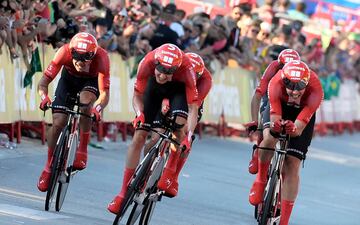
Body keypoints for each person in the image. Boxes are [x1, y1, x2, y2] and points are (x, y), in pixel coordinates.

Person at [107, 43, 199, 214]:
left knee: (179, 124)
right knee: (139, 135)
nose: (163, 75)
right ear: (156, 64)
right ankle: (123, 192)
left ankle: (170, 167)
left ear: (176, 69)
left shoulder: (186, 69)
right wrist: (139, 113)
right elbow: (137, 95)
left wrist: (189, 135)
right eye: (161, 70)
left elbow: (193, 107)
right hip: (152, 90)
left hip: (177, 91)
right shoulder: (147, 61)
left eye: (169, 72)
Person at [248, 60, 323, 225]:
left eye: (299, 87)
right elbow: (275, 121)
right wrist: (277, 126)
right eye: (289, 85)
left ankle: (284, 221)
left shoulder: (316, 89)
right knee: (269, 137)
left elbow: (299, 129)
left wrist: (292, 129)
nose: (294, 91)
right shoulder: (275, 83)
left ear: (307, 83)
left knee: (292, 164)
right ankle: (260, 180)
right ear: (283, 79)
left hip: (301, 114)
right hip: (279, 106)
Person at [37, 32, 110, 192]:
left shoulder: (102, 58)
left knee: (85, 103)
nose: (80, 63)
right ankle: (48, 166)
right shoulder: (63, 52)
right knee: (58, 123)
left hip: (91, 82)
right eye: (76, 58)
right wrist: (44, 97)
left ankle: (82, 149)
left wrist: (97, 108)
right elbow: (43, 82)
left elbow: (104, 94)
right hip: (68, 80)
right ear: (71, 53)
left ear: (93, 56)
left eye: (85, 60)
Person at [156, 52, 212, 197]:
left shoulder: (206, 79)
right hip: (175, 88)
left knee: (185, 132)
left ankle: (172, 175)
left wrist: (188, 134)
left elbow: (194, 107)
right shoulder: (177, 67)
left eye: (196, 76)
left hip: (192, 100)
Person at [244, 48, 300, 174]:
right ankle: (259, 149)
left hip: (291, 96)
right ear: (278, 64)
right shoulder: (273, 67)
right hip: (272, 93)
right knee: (264, 117)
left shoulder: (300, 73)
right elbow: (258, 95)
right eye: (282, 66)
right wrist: (254, 120)